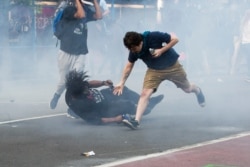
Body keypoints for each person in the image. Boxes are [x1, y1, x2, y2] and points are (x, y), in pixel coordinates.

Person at [113, 31, 206, 130]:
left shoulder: (153, 36)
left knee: (187, 89)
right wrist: (122, 82)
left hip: (172, 66)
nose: (133, 51)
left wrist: (162, 50)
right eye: (130, 49)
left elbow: (175, 39)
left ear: (140, 43)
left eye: (134, 48)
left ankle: (197, 90)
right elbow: (129, 66)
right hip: (154, 70)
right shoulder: (133, 51)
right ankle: (136, 121)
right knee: (145, 94)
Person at [49, 0, 102, 110]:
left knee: (77, 80)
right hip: (66, 51)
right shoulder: (68, 10)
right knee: (63, 81)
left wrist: (95, 2)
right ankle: (57, 95)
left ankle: (73, 106)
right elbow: (80, 15)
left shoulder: (86, 10)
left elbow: (99, 16)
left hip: (80, 52)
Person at [65, 70, 164, 125]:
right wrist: (115, 119)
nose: (87, 90)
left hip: (104, 95)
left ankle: (147, 101)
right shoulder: (80, 106)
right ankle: (141, 110)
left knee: (122, 90)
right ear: (77, 96)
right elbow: (96, 120)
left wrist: (103, 83)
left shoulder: (76, 86)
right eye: (85, 92)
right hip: (106, 109)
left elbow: (89, 84)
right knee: (126, 104)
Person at [230, 9, 250, 82]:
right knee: (248, 59)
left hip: (244, 43)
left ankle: (234, 70)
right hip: (247, 43)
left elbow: (241, 32)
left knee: (247, 59)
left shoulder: (243, 22)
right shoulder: (246, 23)